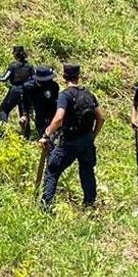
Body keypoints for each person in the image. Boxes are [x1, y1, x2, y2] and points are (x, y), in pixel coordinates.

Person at [40, 63, 105, 209]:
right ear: (78, 76)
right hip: (87, 139)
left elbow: (58, 119)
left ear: (64, 77)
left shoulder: (65, 95)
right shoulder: (88, 93)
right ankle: (89, 204)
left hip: (69, 140)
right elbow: (101, 118)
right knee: (87, 171)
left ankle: (46, 207)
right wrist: (92, 136)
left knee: (52, 170)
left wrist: (46, 134)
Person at [0, 45, 34, 134]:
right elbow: (34, 79)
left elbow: (3, 78)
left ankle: (3, 131)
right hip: (26, 91)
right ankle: (26, 136)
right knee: (24, 113)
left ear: (15, 54)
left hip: (15, 91)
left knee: (3, 109)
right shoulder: (30, 66)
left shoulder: (13, 66)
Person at [25, 65, 60, 138]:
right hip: (40, 116)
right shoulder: (29, 87)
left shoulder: (54, 86)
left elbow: (56, 101)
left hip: (53, 115)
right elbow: (26, 103)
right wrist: (25, 114)